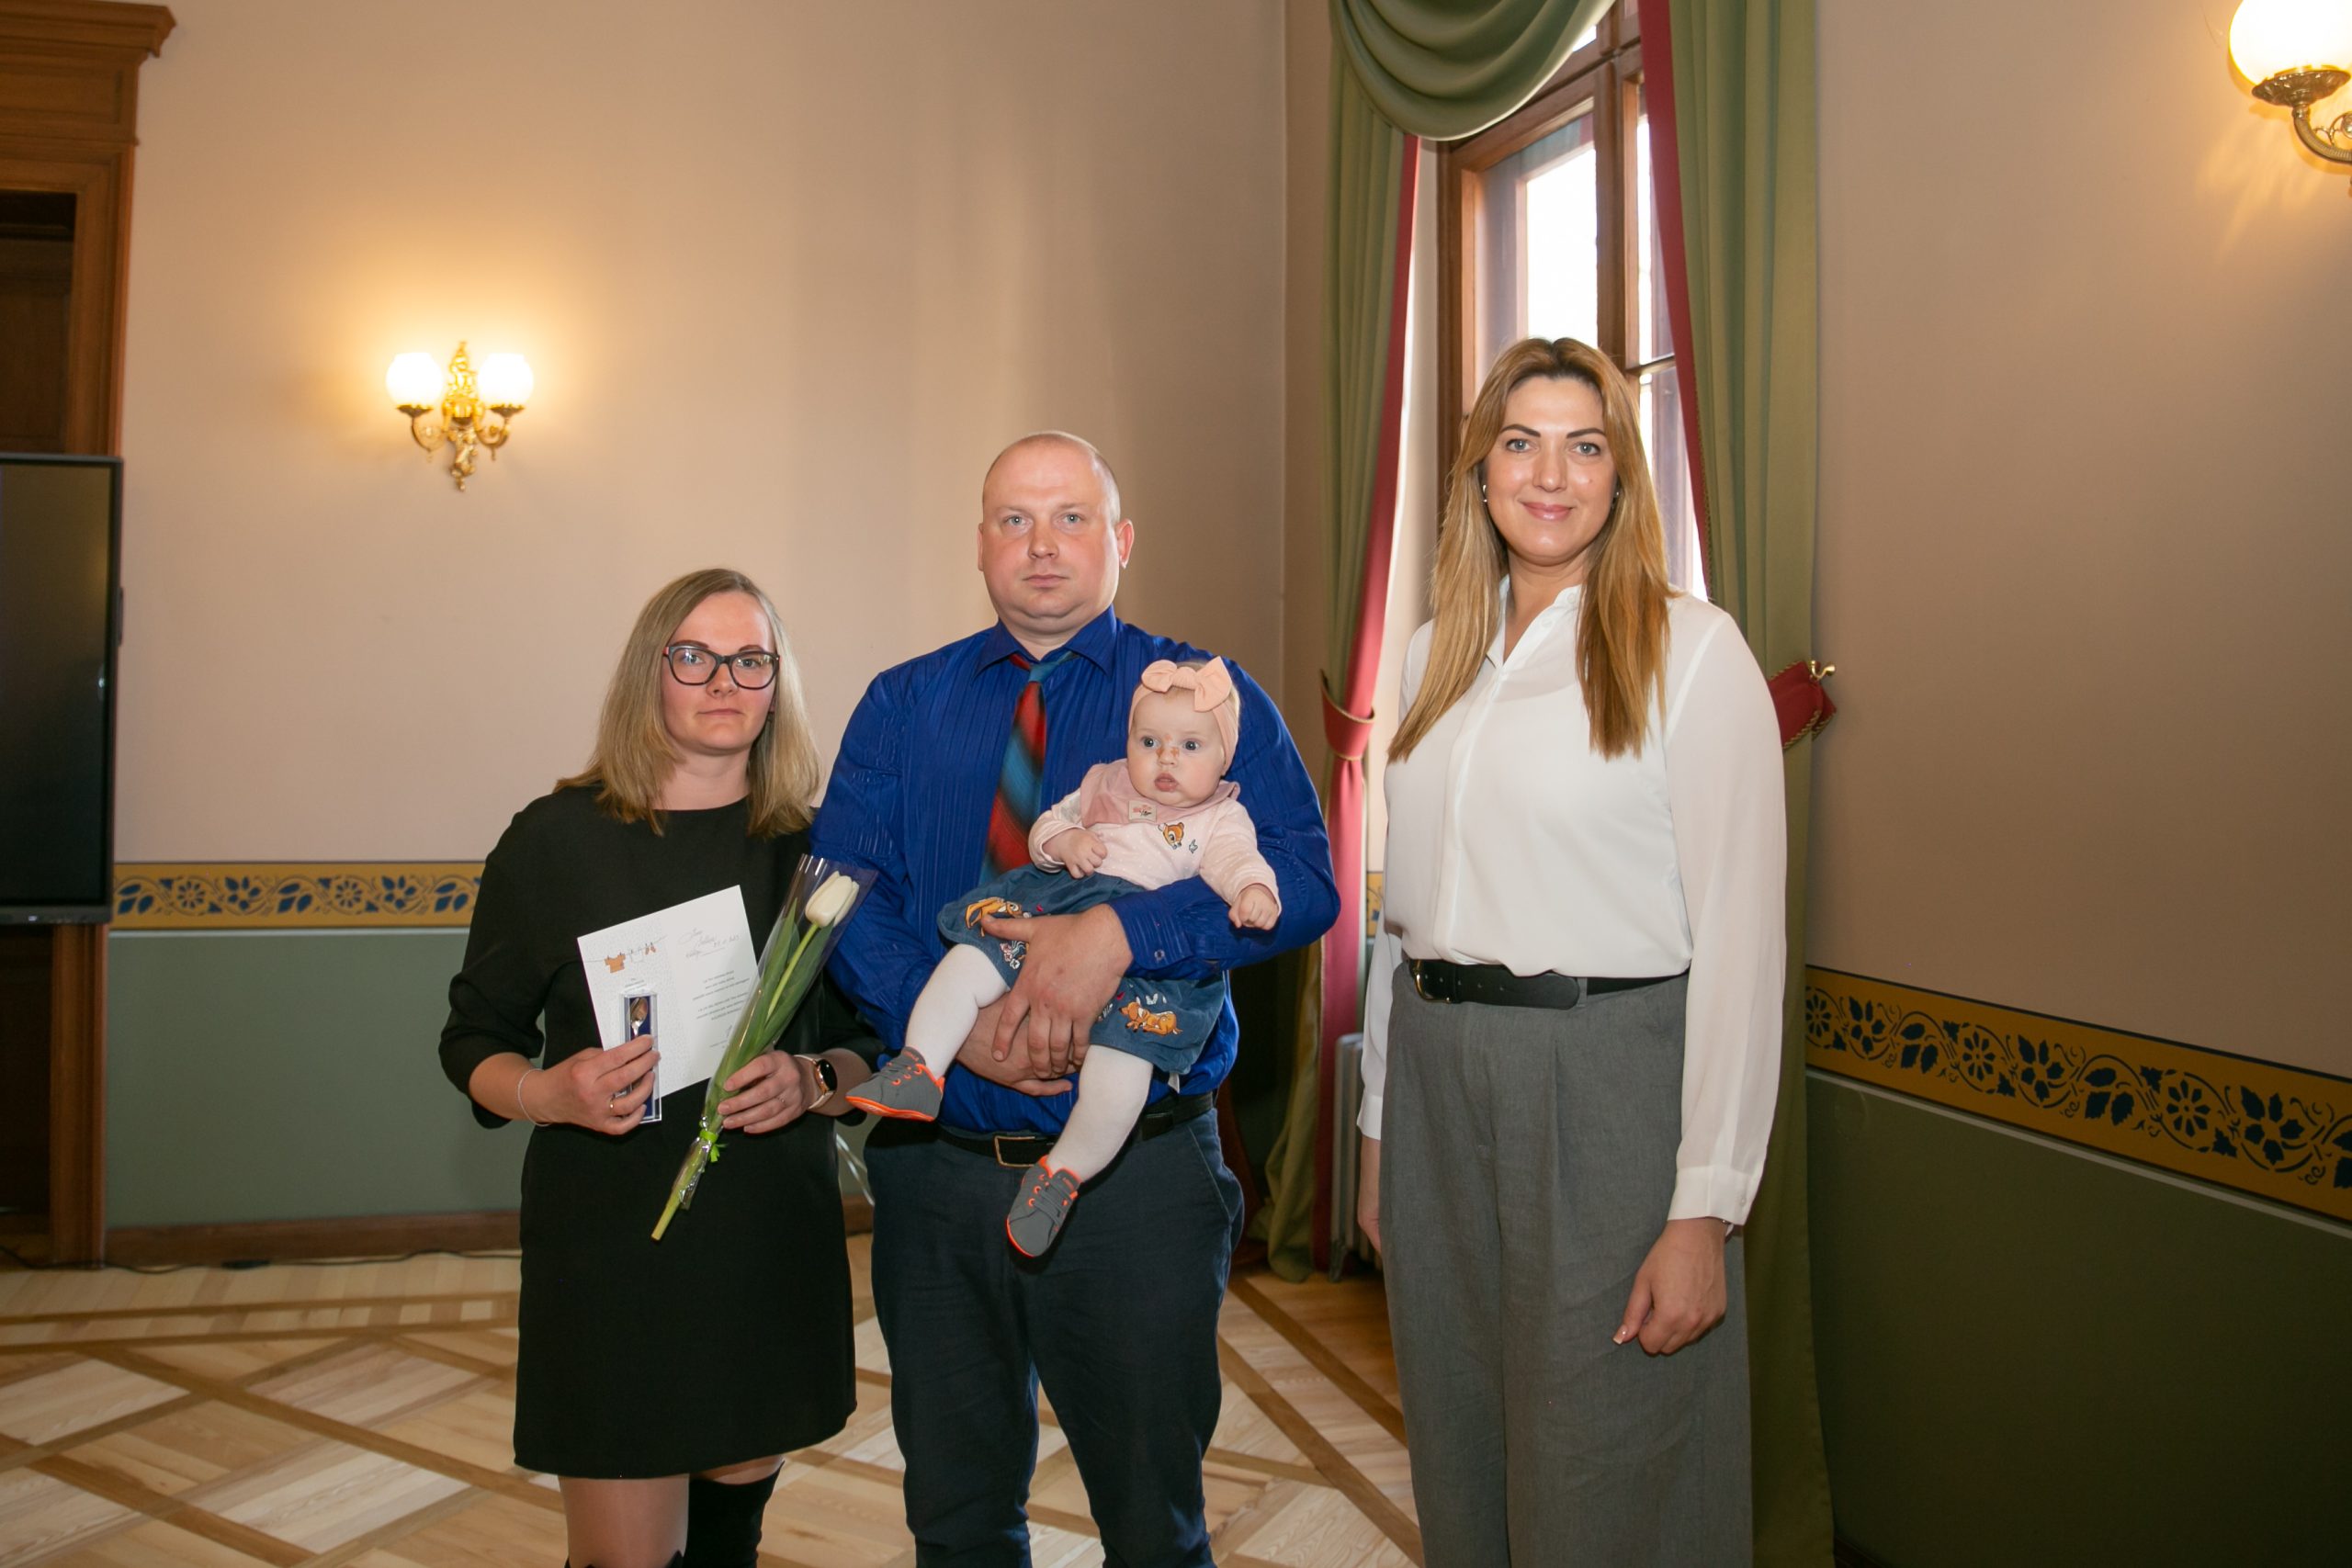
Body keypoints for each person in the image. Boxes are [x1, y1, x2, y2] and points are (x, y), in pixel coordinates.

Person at [813, 432, 1337, 1564]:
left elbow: (1300, 883)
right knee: (957, 1520)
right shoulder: (901, 703)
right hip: (938, 1171)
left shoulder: (1205, 695)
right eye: (1014, 519)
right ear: (980, 544)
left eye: (1070, 518)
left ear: (1121, 540)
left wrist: (1122, 934)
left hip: (1138, 1182)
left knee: (1153, 1524)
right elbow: (840, 893)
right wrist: (961, 1035)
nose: (1041, 545)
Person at [1355, 338, 1785, 1566]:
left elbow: (1743, 944)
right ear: (1480, 471)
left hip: (1606, 1083)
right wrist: (1380, 1135)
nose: (1550, 475)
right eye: (1521, 442)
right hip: (1436, 1081)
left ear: (1621, 476)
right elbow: (1400, 918)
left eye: (1584, 446)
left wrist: (1706, 1208)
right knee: (1460, 1444)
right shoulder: (1431, 652)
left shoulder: (1691, 650)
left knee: (1608, 1463)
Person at [438, 568, 880, 1568]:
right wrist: (546, 1092)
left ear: (777, 684)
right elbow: (471, 1042)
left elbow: (872, 1049)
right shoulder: (554, 841)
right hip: (611, 1250)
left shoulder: (819, 853)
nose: (724, 680)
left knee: (727, 1549)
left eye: (751, 660)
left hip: (764, 1243)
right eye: (694, 657)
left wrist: (814, 1082)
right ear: (651, 671)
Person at [846, 655, 1281, 1256]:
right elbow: (1048, 826)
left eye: (1190, 745)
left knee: (1123, 1068)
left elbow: (1238, 862)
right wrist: (1065, 840)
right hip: (1056, 904)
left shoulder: (1219, 817)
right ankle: (920, 1066)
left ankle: (1060, 1175)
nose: (1166, 758)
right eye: (1149, 741)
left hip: (1142, 961)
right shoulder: (1105, 782)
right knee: (969, 960)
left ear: (1223, 757)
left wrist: (1254, 890)